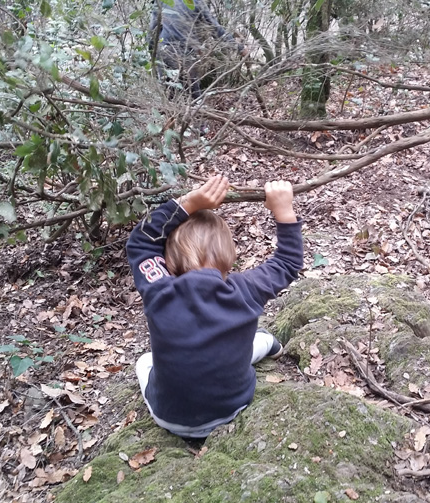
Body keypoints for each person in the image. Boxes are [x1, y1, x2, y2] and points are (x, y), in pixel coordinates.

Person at [126, 175, 303, 439]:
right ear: (229, 254)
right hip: (233, 406)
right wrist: (283, 210)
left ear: (168, 260)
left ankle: (262, 344)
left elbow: (139, 243)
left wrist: (188, 202)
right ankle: (268, 344)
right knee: (246, 347)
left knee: (145, 362)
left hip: (171, 419)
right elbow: (288, 262)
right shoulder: (247, 290)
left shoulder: (159, 291)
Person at [150, 0, 243, 99]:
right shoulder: (195, 0)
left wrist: (153, 55)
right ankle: (196, 123)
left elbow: (152, 31)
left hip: (164, 53)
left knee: (169, 97)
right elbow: (215, 29)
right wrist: (239, 47)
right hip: (186, 57)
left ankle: (172, 121)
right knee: (193, 98)